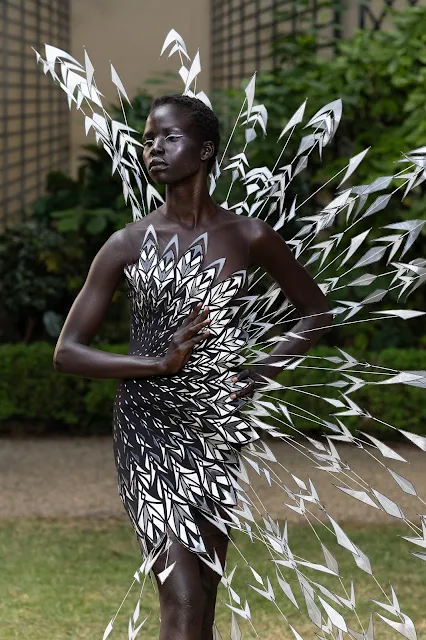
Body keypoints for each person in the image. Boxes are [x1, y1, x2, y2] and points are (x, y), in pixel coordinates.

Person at [53, 94, 331, 640]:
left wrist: (256, 377)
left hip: (217, 425)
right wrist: (157, 362)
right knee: (180, 596)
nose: (154, 149)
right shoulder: (127, 244)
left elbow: (317, 313)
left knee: (203, 592)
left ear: (205, 150)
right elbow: (67, 352)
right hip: (149, 429)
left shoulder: (247, 236)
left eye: (169, 137)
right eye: (148, 140)